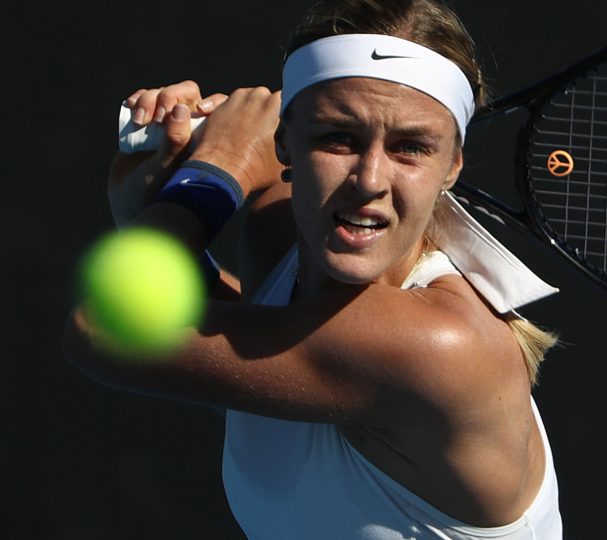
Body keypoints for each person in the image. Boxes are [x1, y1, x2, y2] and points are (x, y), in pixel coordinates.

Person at [63, 0, 564, 538]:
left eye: (411, 147)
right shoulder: (278, 235)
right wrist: (148, 212)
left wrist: (211, 176)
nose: (370, 179)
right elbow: (253, 367)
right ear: (284, 140)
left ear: (452, 165)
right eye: (337, 137)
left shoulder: (440, 346)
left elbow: (103, 328)